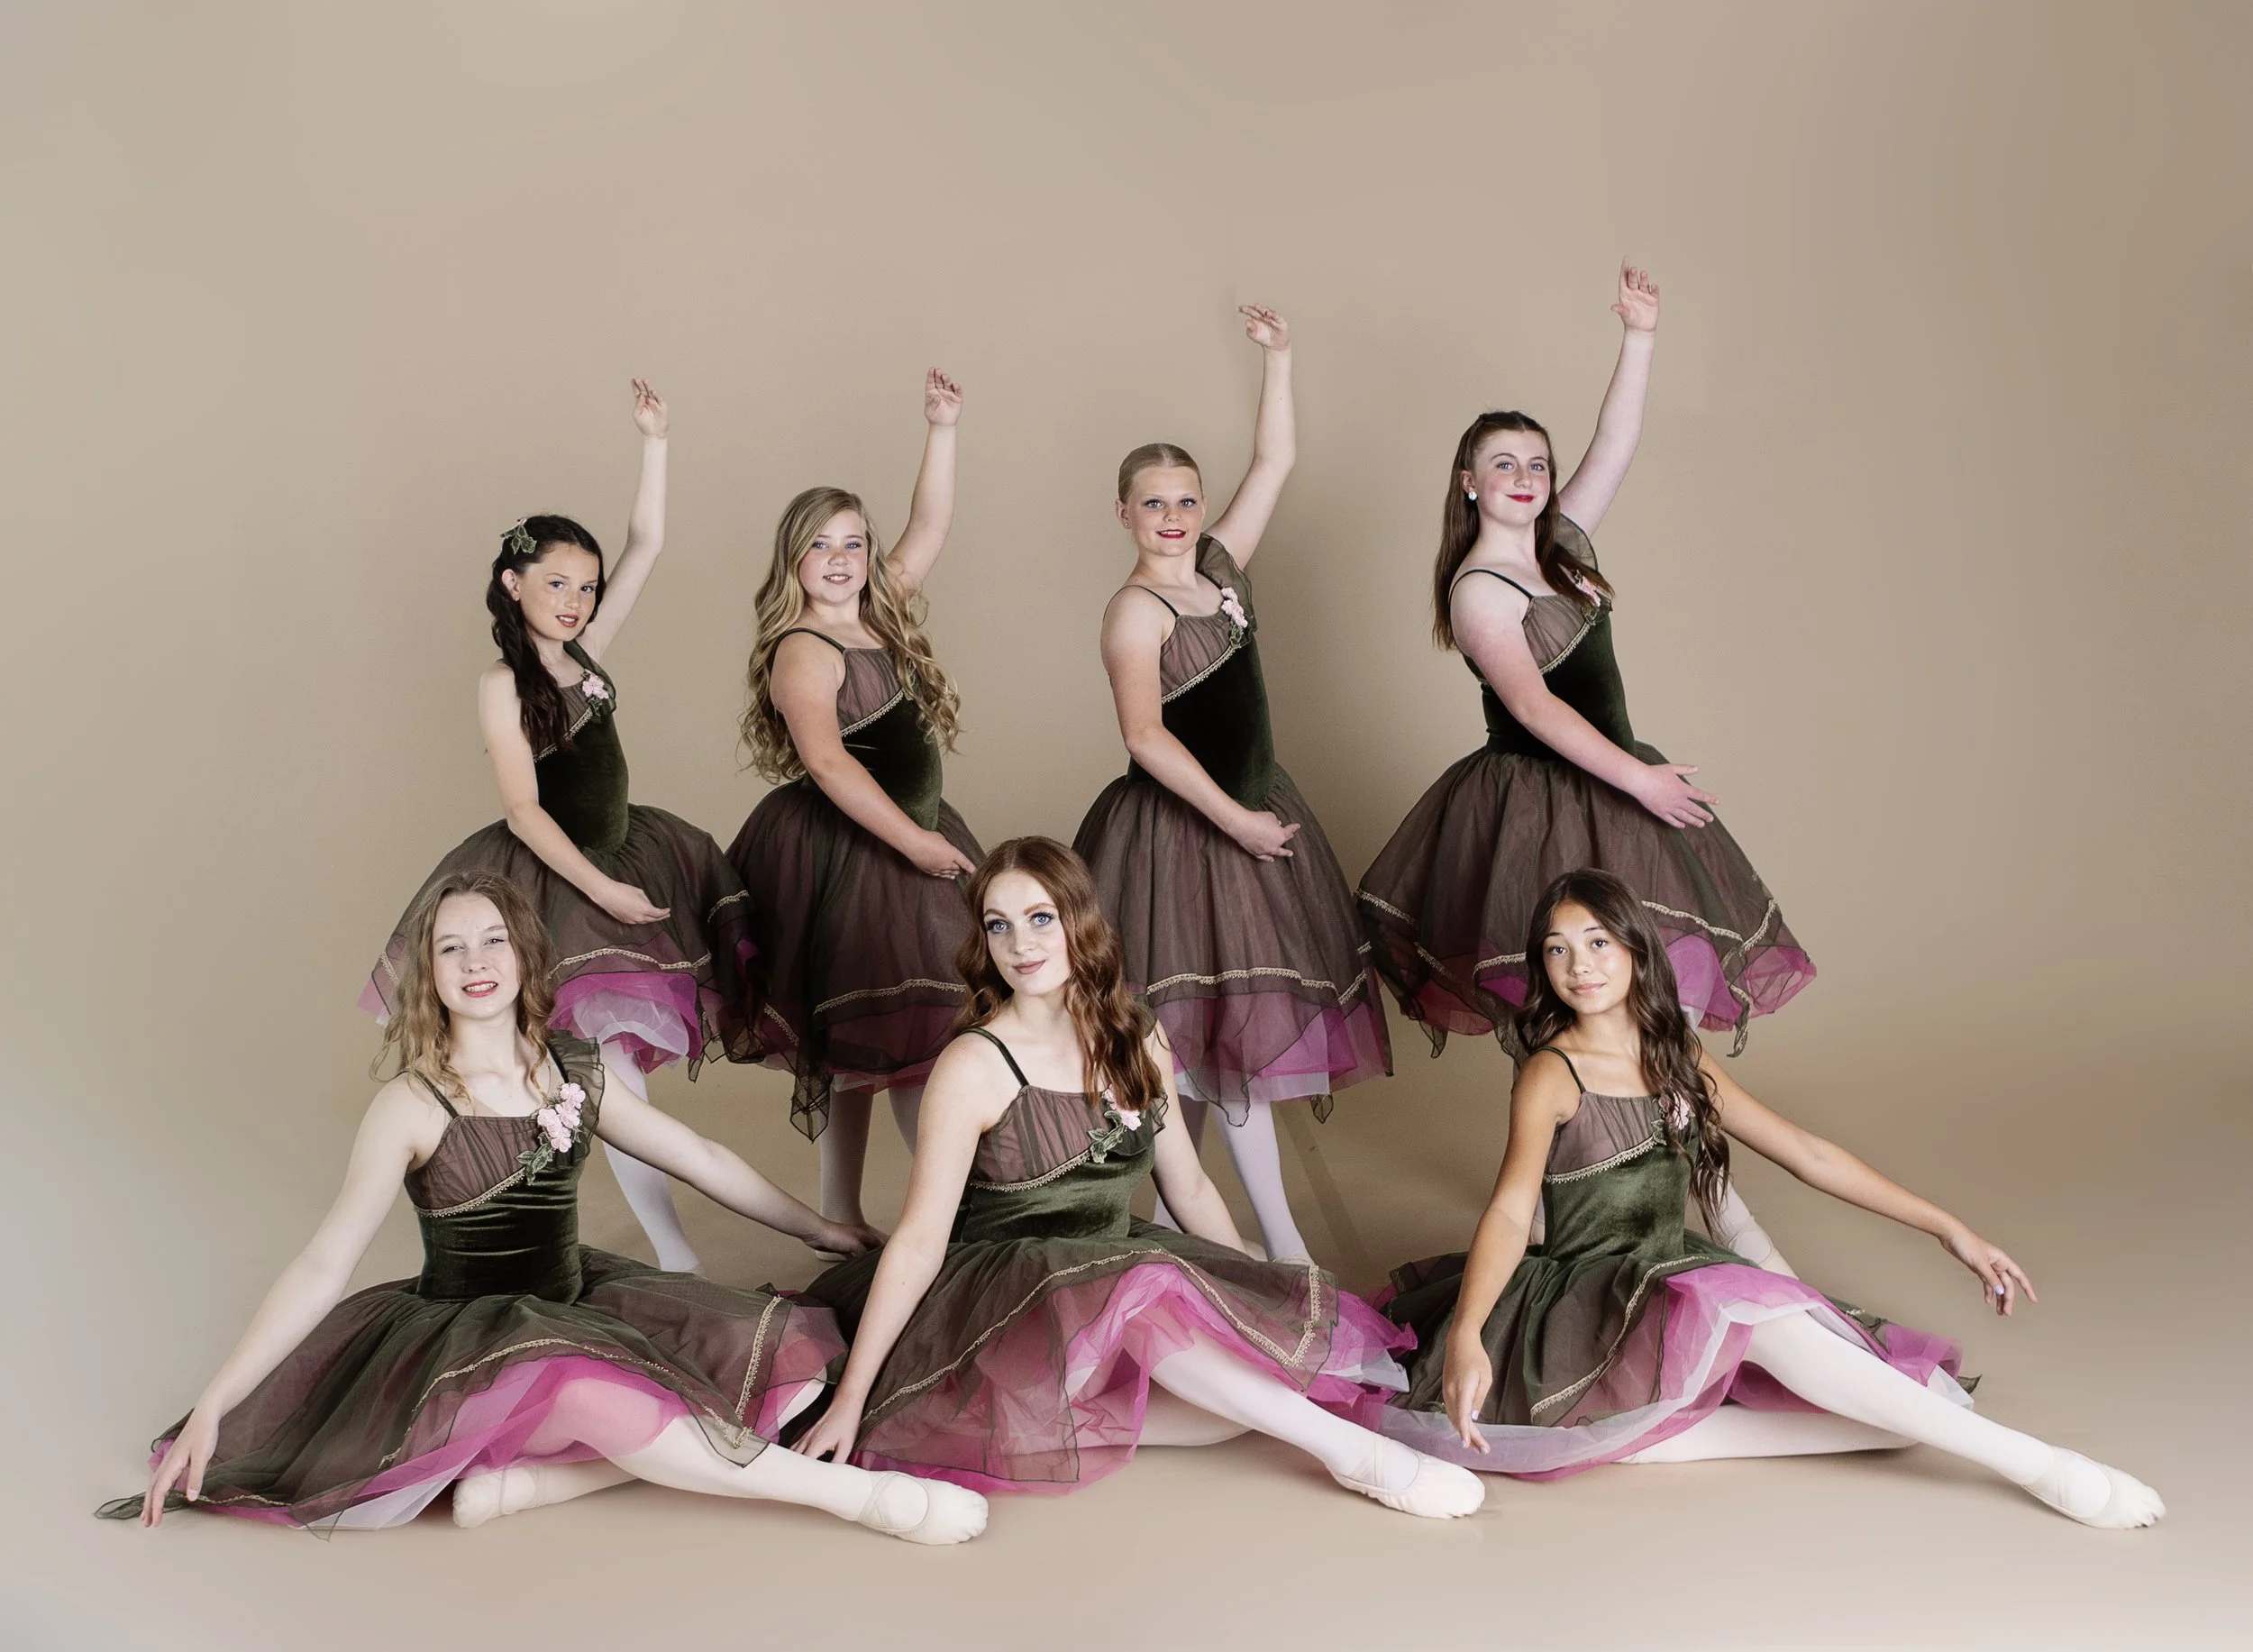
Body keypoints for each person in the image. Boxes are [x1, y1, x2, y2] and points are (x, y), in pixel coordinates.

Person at [102, 872, 986, 1544]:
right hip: (471, 1342)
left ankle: (536, 1485)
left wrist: (819, 1226)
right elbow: (323, 1263)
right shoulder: (411, 1104)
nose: (476, 963)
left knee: (779, 1350)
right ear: (428, 974)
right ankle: (856, 1498)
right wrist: (217, 1400)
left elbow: (701, 1157)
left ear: (524, 953)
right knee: (583, 1384)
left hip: (578, 1299)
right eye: (452, 948)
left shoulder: (572, 1068)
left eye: (493, 941)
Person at [1375, 869, 2162, 1529]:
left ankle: (1649, 1433)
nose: (1579, 965)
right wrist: (1470, 1332)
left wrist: (1947, 1228)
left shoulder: (1676, 1053)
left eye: (1598, 942)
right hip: (1590, 1301)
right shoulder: (1552, 1071)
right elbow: (1512, 1211)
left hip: (1672, 1274)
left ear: (1635, 948)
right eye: (1557, 949)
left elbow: (1808, 1153)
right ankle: (2042, 1465)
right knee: (1762, 1322)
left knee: (1889, 1425)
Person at [790, 838, 1479, 1520]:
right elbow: (919, 1241)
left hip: (1118, 1267)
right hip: (1006, 1294)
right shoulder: (973, 1063)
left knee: (1236, 1394)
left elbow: (1191, 1188)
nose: (1020, 944)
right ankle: (1356, 1455)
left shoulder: (1137, 1037)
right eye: (998, 925)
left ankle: (1045, 1420)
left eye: (1040, 918)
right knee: (1148, 1292)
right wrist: (852, 1397)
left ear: (1079, 920)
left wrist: (1253, 1310)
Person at [1359, 264, 1811, 1063]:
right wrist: (1642, 781)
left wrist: (1640, 335)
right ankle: (1563, 1137)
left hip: (1614, 780)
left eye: (1537, 463)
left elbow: (1616, 443)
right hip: (1543, 802)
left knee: (1656, 982)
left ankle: (1670, 1125)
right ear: (1469, 483)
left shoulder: (1560, 544)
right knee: (1571, 996)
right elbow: (1534, 708)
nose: (1525, 478)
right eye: (1504, 464)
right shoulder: (1480, 590)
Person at [362, 381, 754, 1273]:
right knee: (606, 1071)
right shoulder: (503, 684)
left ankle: (670, 1248)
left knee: (616, 1074)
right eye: (556, 584)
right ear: (514, 585)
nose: (575, 600)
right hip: (558, 879)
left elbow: (647, 544)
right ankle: (667, 1252)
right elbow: (523, 810)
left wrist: (655, 441)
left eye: (586, 587)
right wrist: (606, 889)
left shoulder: (587, 654)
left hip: (629, 849)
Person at [1075, 306, 1389, 1263]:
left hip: (1254, 812)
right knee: (1209, 1044)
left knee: (1218, 1046)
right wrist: (1236, 822)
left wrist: (1278, 359)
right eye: (1153, 504)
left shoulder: (1218, 569)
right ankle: (1278, 1251)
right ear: (1122, 513)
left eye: (1185, 500)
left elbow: (1275, 461)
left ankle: (1183, 1234)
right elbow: (1144, 736)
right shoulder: (1134, 612)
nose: (1172, 517)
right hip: (1184, 833)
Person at [730, 370, 981, 1229]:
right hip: (856, 850)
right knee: (908, 1028)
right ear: (792, 561)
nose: (840, 561)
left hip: (908, 834)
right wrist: (914, 844)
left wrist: (942, 428)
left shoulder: (881, 611)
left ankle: (842, 1208)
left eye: (854, 544)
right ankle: (955, 1212)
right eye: (821, 547)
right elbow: (831, 765)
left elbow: (932, 523)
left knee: (875, 1032)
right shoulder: (803, 648)